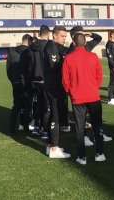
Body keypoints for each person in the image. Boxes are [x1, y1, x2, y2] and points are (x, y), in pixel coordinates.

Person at [62, 33, 106, 165]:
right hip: (93, 97)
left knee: (80, 128)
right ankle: (100, 153)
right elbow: (99, 76)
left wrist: (71, 92)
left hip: (78, 98)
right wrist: (93, 87)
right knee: (97, 125)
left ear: (74, 43)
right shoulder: (93, 56)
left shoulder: (68, 58)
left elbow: (65, 80)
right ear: (85, 43)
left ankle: (82, 157)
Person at [43, 25, 71, 158]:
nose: (64, 38)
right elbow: (54, 67)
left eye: (65, 36)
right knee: (55, 116)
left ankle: (50, 145)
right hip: (54, 87)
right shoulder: (51, 48)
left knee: (54, 115)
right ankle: (54, 148)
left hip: (54, 86)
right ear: (54, 35)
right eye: (62, 36)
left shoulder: (56, 47)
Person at [6, 34, 33, 133]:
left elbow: (8, 68)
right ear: (29, 41)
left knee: (16, 105)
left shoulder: (12, 51)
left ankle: (12, 126)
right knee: (27, 105)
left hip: (16, 82)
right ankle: (25, 126)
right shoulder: (30, 52)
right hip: (26, 81)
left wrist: (13, 80)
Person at [29, 25, 50, 136]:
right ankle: (45, 130)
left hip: (35, 80)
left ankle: (36, 127)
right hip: (45, 80)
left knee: (39, 105)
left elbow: (30, 64)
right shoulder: (49, 45)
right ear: (47, 34)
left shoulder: (32, 47)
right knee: (46, 107)